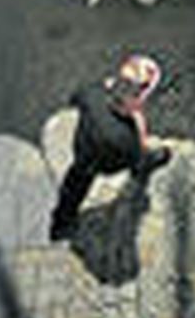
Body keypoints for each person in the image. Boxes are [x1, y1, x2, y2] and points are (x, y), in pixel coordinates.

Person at [49, 55, 171, 241]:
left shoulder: (91, 93)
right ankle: (146, 166)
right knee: (139, 161)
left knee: (75, 184)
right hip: (108, 160)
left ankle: (60, 225)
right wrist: (141, 133)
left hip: (83, 149)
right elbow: (134, 152)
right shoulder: (123, 137)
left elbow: (76, 98)